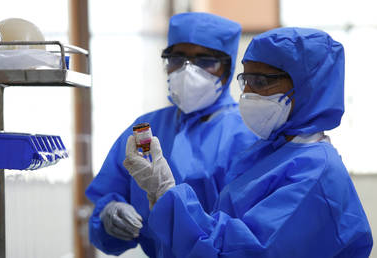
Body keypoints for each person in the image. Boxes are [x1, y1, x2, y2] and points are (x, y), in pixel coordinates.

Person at [124, 27, 373, 257]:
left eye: (262, 82)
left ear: (308, 87)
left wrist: (166, 192)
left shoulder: (315, 172)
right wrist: (161, 195)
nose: (248, 94)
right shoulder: (270, 152)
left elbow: (243, 249)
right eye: (247, 81)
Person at [85, 12, 258, 257]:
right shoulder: (145, 128)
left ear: (228, 67)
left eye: (205, 60)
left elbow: (253, 231)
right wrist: (109, 213)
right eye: (177, 58)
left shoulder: (249, 133)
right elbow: (108, 195)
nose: (188, 70)